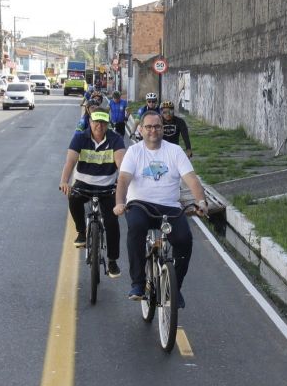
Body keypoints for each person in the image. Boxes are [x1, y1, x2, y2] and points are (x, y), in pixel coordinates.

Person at [113, 111, 208, 308]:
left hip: (170, 207)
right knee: (136, 228)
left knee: (184, 240)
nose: (152, 131)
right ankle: (138, 283)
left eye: (157, 126)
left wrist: (201, 201)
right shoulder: (134, 152)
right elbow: (123, 180)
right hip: (140, 204)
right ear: (141, 130)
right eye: (148, 127)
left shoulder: (174, 151)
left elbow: (191, 179)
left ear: (162, 129)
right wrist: (120, 202)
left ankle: (175, 288)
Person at [60, 108, 126, 277]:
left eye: (103, 122)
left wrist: (124, 183)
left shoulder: (115, 139)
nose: (99, 125)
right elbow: (70, 161)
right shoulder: (80, 137)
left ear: (108, 124)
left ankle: (112, 261)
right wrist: (64, 181)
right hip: (83, 184)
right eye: (96, 121)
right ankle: (81, 232)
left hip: (108, 187)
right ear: (90, 122)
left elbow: (121, 163)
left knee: (112, 223)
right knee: (73, 198)